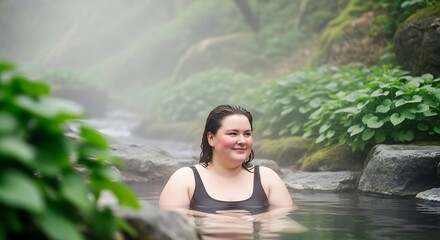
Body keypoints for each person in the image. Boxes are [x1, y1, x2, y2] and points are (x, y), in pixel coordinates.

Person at [159, 104, 294, 218]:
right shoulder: (185, 179)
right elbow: (172, 228)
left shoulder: (267, 178)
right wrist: (215, 221)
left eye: (247, 134)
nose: (242, 141)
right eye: (233, 134)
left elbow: (286, 224)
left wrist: (260, 219)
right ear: (211, 138)